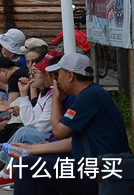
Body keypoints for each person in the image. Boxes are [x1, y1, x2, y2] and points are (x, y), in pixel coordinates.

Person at [8, 53, 130, 193]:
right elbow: (72, 142)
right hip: (94, 165)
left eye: (58, 75)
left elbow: (59, 132)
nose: (56, 81)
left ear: (70, 76)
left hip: (101, 171)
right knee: (37, 162)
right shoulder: (92, 93)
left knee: (27, 165)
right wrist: (30, 149)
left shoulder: (88, 96)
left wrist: (56, 99)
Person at [0, 52, 58, 188]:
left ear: (47, 75)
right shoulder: (44, 94)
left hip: (51, 137)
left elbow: (41, 126)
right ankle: (6, 171)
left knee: (23, 132)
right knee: (21, 129)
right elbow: (30, 121)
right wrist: (24, 94)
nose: (31, 76)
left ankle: (6, 172)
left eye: (35, 72)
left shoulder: (52, 94)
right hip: (46, 133)